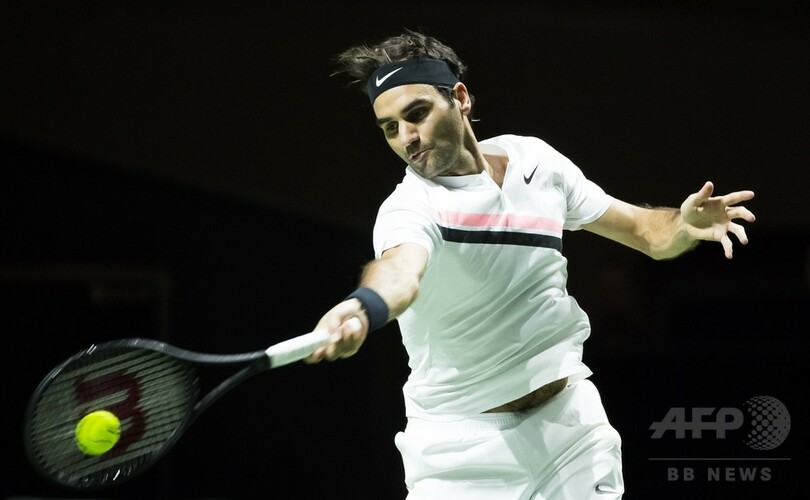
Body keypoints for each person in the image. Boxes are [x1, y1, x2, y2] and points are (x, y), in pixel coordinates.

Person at [305, 30, 756, 499]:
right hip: (460, 451)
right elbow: (400, 272)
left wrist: (684, 224)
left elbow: (646, 233)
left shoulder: (535, 162)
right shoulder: (410, 208)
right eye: (390, 128)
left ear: (459, 97)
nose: (407, 139)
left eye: (417, 114)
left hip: (570, 430)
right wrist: (363, 307)